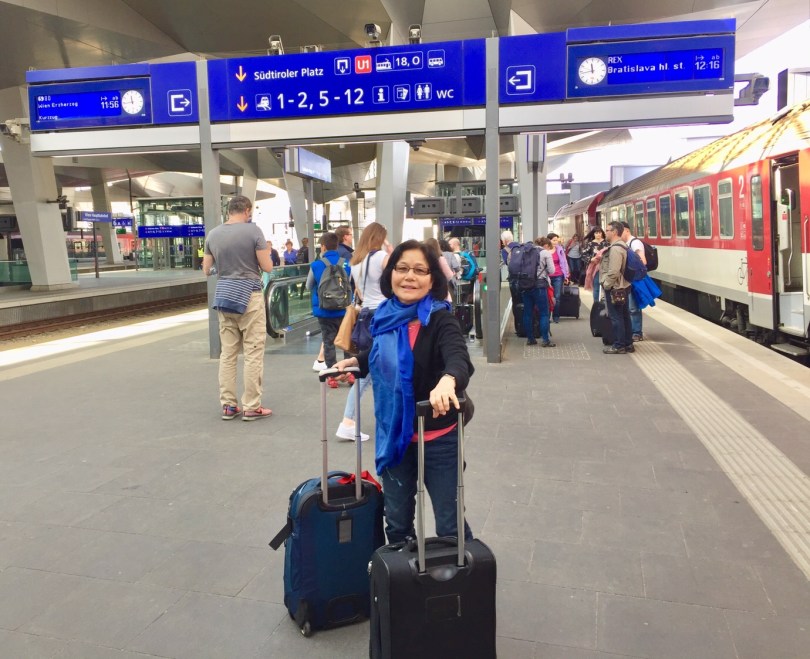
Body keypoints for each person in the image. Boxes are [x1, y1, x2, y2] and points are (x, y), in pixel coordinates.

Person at [333, 240, 474, 544]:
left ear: (432, 280)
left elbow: (459, 359)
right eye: (402, 268)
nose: (410, 276)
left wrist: (448, 380)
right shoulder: (385, 316)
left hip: (437, 439)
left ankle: (460, 569)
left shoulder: (440, 319)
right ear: (391, 274)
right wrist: (357, 362)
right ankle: (401, 568)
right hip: (395, 435)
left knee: (450, 524)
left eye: (420, 270)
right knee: (396, 522)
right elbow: (382, 354)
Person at [203, 195, 274, 421]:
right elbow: (267, 266)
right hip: (249, 296)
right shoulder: (253, 231)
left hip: (224, 296)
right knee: (253, 352)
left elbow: (206, 269)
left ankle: (228, 405)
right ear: (246, 210)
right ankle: (251, 406)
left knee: (228, 353)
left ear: (228, 210)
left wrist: (225, 270)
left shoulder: (213, 234)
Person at [335, 222, 391, 441]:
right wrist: (390, 248)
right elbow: (397, 276)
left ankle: (359, 420)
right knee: (369, 373)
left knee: (371, 370)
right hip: (382, 316)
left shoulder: (355, 262)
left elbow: (359, 292)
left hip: (365, 316)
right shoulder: (381, 257)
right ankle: (348, 421)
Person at [306, 232, 354, 388]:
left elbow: (308, 285)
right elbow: (350, 284)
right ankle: (350, 372)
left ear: (323, 247)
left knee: (328, 342)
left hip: (324, 311)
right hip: (344, 309)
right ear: (337, 246)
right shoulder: (346, 263)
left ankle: (333, 375)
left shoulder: (316, 265)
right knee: (347, 340)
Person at [600, 221, 634, 354]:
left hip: (615, 288)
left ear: (614, 232)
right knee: (625, 316)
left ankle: (619, 345)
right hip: (623, 286)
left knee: (616, 317)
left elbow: (614, 271)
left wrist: (606, 285)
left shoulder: (615, 249)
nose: (605, 233)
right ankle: (628, 344)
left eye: (607, 230)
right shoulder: (624, 245)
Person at [621, 222, 646, 342]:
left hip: (634, 280)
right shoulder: (625, 243)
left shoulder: (635, 243)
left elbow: (643, 261)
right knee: (628, 307)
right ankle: (631, 331)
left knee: (633, 307)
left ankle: (637, 332)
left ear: (626, 230)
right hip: (627, 279)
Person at [546, 232, 570, 323]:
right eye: (554, 240)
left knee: (557, 296)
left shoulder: (559, 249)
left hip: (558, 276)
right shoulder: (544, 250)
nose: (556, 242)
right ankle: (547, 316)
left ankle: (556, 316)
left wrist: (566, 275)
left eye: (557, 240)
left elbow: (564, 262)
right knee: (547, 297)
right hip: (547, 277)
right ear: (549, 240)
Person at [582, 227, 608, 302]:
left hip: (606, 266)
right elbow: (583, 254)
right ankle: (596, 303)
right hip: (594, 268)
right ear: (593, 234)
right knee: (596, 286)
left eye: (600, 232)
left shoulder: (606, 243)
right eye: (596, 233)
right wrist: (591, 259)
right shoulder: (590, 244)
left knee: (606, 286)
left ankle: (606, 303)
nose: (598, 234)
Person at [424, 238, 454, 302]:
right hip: (439, 291)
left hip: (424, 291)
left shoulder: (423, 259)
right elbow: (449, 275)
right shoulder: (440, 259)